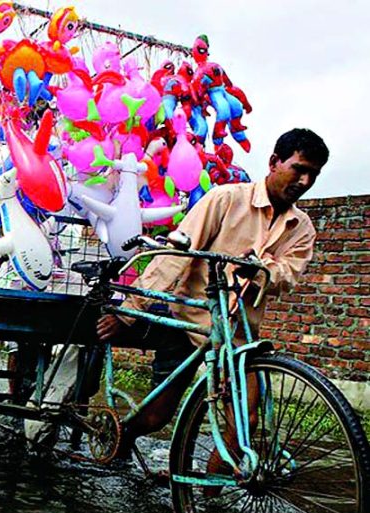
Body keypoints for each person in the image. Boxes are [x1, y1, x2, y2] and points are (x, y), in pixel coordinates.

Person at [96, 128, 329, 460]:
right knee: (157, 415)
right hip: (187, 319)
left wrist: (262, 270)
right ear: (275, 162)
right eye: (299, 169)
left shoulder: (302, 227)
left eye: (313, 175)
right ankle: (123, 439)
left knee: (245, 421)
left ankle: (210, 497)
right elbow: (175, 255)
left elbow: (289, 274)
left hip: (236, 335)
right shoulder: (227, 199)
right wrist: (128, 311)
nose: (304, 182)